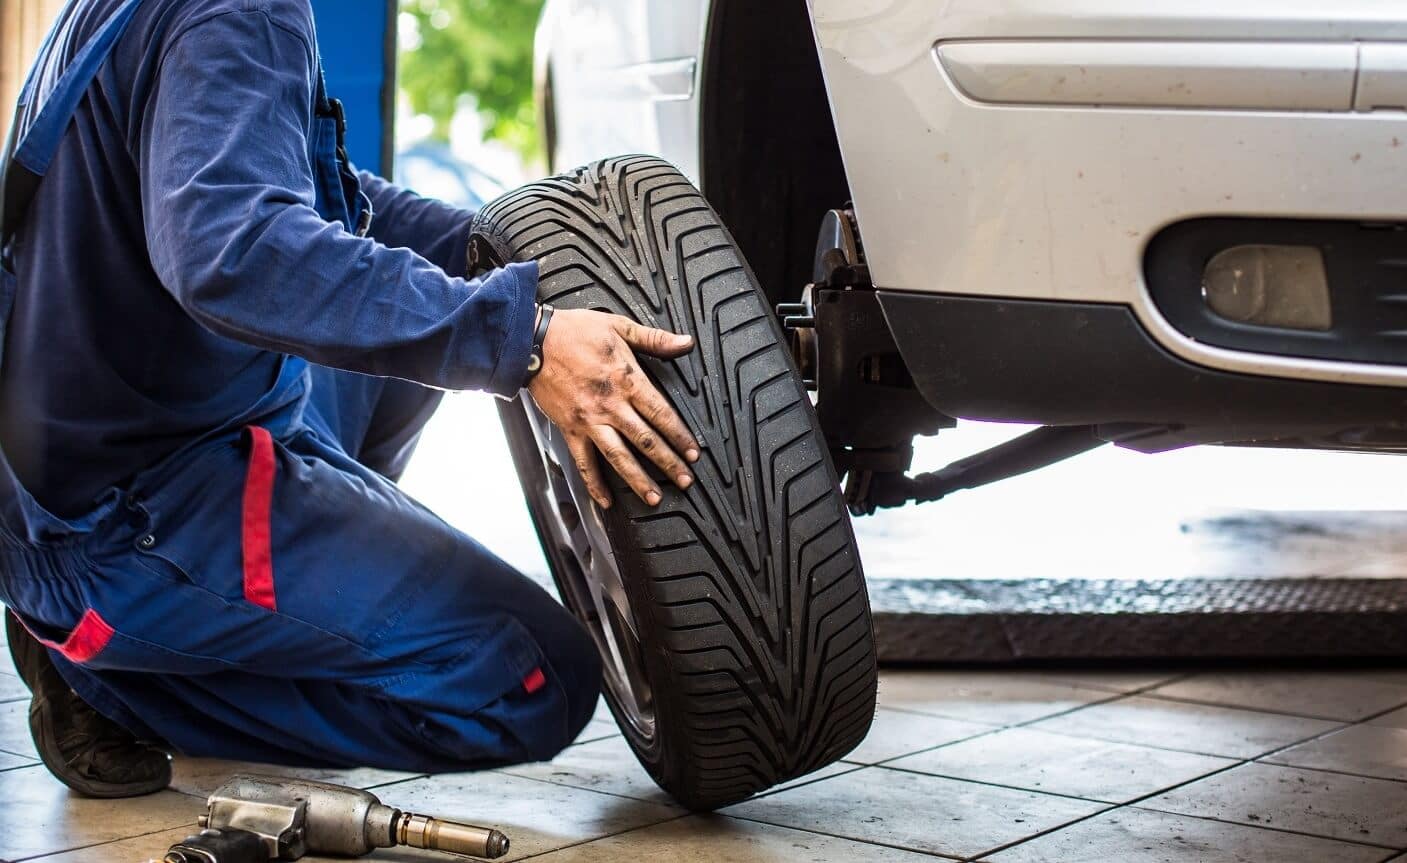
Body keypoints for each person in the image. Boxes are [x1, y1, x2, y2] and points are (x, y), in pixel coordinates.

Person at [0, 0, 699, 798]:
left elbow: (305, 192)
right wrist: (524, 341)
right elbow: (232, 252)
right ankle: (107, 676)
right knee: (536, 678)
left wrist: (500, 253)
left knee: (389, 339)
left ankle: (268, 607)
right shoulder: (242, 8)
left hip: (88, 460)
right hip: (130, 514)